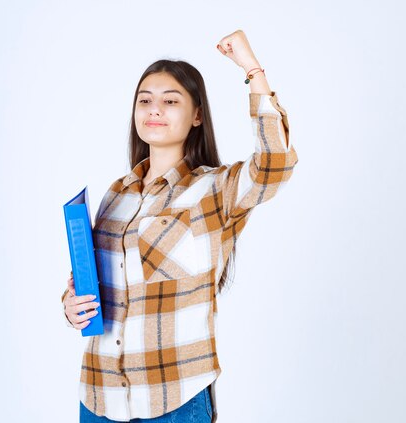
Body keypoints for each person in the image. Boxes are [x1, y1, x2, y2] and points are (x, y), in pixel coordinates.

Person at [61, 29, 298, 422]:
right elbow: (98, 286)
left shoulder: (215, 190)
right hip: (99, 397)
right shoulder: (115, 196)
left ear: (197, 115)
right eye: (145, 101)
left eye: (171, 101)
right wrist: (72, 306)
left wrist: (251, 69)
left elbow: (275, 163)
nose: (155, 110)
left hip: (174, 399)